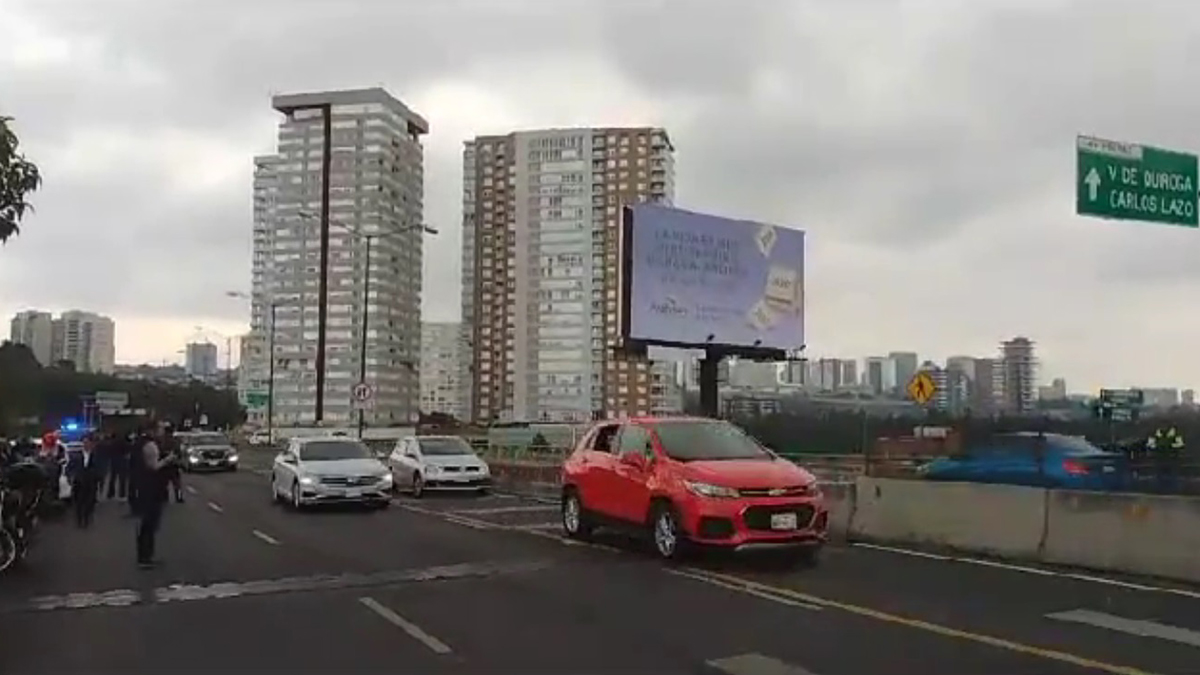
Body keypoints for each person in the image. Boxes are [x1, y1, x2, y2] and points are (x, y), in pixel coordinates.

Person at [132, 422, 176, 569]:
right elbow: (153, 466)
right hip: (151, 489)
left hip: (144, 487)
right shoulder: (150, 445)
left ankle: (145, 556)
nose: (162, 432)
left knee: (148, 524)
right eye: (160, 429)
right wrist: (168, 459)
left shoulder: (141, 443)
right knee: (149, 524)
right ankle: (145, 557)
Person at [66, 433, 103, 528]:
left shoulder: (96, 456)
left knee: (89, 502)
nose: (86, 444)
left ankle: (87, 519)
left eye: (88, 442)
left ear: (91, 443)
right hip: (79, 482)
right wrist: (71, 477)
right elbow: (69, 467)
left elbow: (100, 468)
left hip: (91, 482)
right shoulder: (76, 456)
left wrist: (98, 477)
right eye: (84, 442)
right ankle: (79, 520)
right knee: (79, 502)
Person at [160, 424, 185, 503]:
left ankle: (166, 497)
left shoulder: (162, 441)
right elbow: (179, 453)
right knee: (175, 483)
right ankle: (177, 497)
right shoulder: (174, 441)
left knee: (167, 483)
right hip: (171, 465)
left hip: (167, 465)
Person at [102, 431, 130, 502]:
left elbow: (108, 452)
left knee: (112, 478)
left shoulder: (111, 443)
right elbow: (127, 451)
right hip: (122, 461)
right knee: (122, 479)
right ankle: (122, 494)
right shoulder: (123, 442)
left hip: (113, 461)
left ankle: (110, 493)